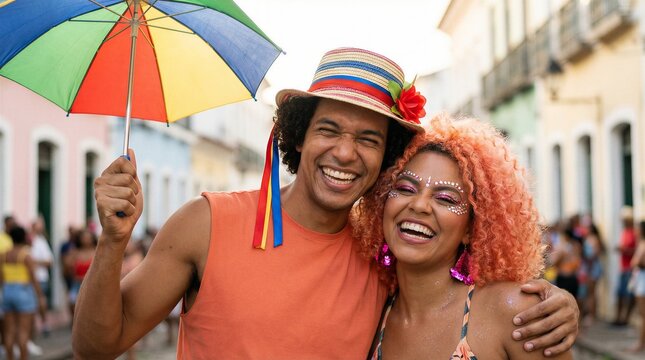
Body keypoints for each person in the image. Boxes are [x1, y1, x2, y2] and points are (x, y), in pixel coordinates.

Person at [73, 47, 579, 358]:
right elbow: (96, 346)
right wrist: (113, 243)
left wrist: (558, 305)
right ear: (297, 137)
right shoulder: (204, 223)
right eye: (328, 130)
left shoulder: (384, 259)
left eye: (367, 138)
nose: (344, 152)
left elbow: (461, 293)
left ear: (386, 160)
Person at [354, 115, 572, 359]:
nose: (420, 205)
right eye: (405, 189)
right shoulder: (370, 315)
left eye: (446, 198)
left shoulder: (517, 313)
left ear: (471, 229)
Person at [0, 226, 46, 360]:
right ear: (24, 237)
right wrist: (40, 296)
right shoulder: (26, 255)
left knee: (8, 333)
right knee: (23, 332)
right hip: (23, 291)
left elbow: (1, 277)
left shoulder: (4, 255)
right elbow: (33, 278)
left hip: (7, 291)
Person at [66, 228, 96, 319]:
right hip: (77, 284)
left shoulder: (96, 251)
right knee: (72, 302)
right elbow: (67, 266)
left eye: (88, 237)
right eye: (84, 237)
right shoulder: (75, 252)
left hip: (92, 285)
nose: (86, 240)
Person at [614, 206, 637, 326]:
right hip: (623, 267)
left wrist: (625, 250)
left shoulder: (634, 233)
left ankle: (625, 319)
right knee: (620, 294)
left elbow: (636, 250)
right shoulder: (625, 232)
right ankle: (619, 318)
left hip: (630, 268)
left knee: (628, 295)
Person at [628, 220, 645, 352]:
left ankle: (641, 343)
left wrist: (636, 263)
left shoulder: (643, 245)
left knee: (643, 315)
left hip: (642, 282)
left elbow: (638, 262)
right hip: (640, 281)